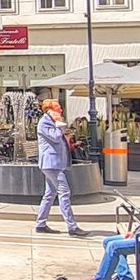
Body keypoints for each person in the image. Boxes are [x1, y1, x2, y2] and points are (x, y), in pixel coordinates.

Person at [34, 100, 88, 237]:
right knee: (64, 192)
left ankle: (40, 224)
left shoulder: (50, 121)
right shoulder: (45, 122)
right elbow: (56, 137)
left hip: (55, 163)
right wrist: (60, 124)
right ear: (50, 110)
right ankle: (72, 227)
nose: (60, 111)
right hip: (51, 164)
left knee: (50, 194)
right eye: (58, 109)